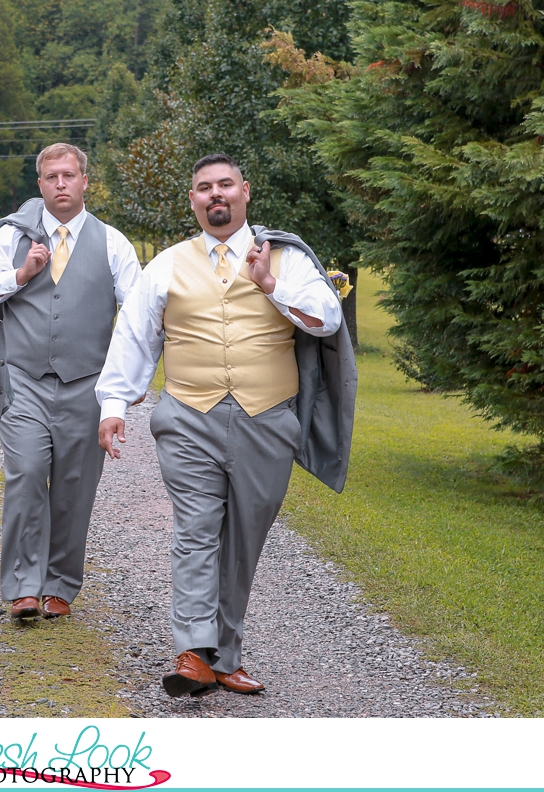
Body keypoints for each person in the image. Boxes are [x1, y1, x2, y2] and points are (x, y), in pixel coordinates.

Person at [96, 154, 353, 698]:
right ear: (192, 200)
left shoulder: (285, 258)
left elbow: (326, 318)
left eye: (225, 185)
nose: (216, 195)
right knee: (195, 532)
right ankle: (191, 651)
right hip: (189, 415)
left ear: (245, 192)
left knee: (243, 539)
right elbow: (135, 337)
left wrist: (269, 285)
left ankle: (224, 654)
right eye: (204, 188)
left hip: (267, 418)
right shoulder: (165, 264)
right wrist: (113, 406)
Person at [0, 141, 141, 623]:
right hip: (24, 380)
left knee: (74, 486)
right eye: (51, 178)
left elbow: (140, 317)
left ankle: (60, 583)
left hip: (88, 384)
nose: (60, 184)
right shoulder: (12, 237)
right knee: (24, 476)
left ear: (85, 181)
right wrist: (21, 274)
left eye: (69, 176)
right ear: (39, 185)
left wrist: (124, 389)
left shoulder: (113, 243)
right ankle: (23, 585)